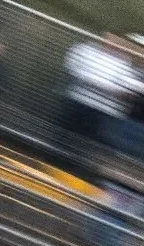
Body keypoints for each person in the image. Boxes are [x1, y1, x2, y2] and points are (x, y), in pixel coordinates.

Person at [57, 33, 137, 176]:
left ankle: (76, 177)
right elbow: (75, 69)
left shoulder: (128, 65)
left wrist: (101, 85)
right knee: (64, 138)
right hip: (78, 103)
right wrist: (108, 87)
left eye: (120, 41)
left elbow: (129, 90)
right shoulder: (86, 50)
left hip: (104, 114)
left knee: (88, 148)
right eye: (112, 38)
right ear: (106, 36)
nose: (115, 43)